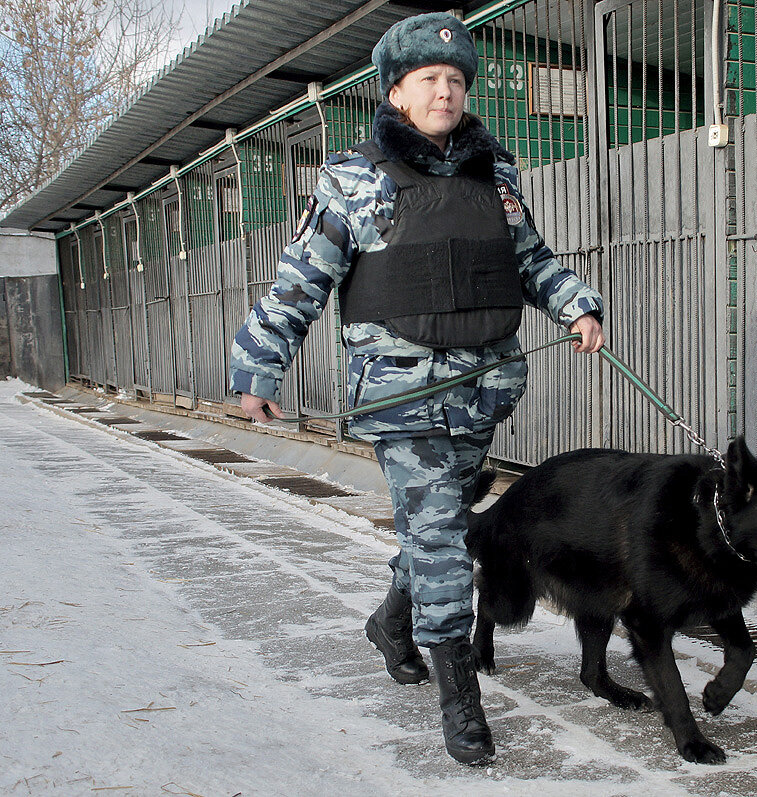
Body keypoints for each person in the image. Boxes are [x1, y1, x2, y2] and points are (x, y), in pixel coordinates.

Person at [228, 12, 604, 766]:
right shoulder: (354, 177)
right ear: (396, 91)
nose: (445, 91)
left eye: (456, 80)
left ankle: (392, 622)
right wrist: (258, 369)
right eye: (429, 80)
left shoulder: (494, 174)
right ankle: (459, 697)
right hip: (402, 399)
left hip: (480, 388)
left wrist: (576, 303)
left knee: (441, 523)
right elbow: (300, 282)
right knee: (437, 536)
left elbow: (530, 259)